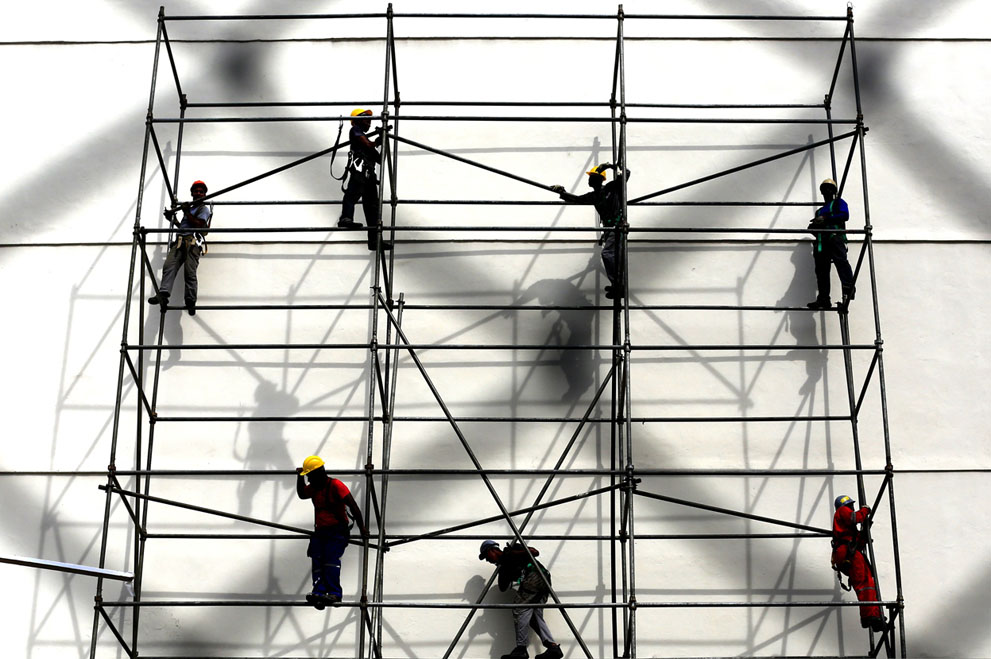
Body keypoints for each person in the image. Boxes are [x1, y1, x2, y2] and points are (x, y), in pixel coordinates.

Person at [296, 455, 367, 610]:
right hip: (321, 530)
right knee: (316, 558)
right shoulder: (314, 487)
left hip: (337, 531)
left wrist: (363, 529)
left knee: (330, 559)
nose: (308, 479)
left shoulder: (336, 485)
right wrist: (299, 476)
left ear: (319, 473)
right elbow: (302, 494)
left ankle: (334, 593)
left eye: (309, 475)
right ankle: (319, 592)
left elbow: (353, 507)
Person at [550, 163, 630, 299]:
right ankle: (617, 285)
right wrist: (562, 192)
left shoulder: (612, 187)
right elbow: (576, 199)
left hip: (618, 226)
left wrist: (611, 166)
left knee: (608, 254)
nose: (589, 179)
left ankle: (619, 286)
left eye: (592, 177)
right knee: (612, 256)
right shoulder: (593, 196)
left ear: (599, 179)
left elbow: (626, 174)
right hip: (610, 229)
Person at [479, 539, 564, 659]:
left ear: (492, 550)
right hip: (543, 582)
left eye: (487, 557)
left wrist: (510, 554)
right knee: (534, 616)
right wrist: (502, 566)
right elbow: (503, 587)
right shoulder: (504, 565)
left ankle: (521, 649)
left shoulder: (511, 550)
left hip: (535, 576)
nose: (488, 560)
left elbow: (534, 552)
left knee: (519, 607)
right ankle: (552, 647)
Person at [148, 180, 213, 316]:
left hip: (192, 244)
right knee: (168, 267)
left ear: (205, 194)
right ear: (192, 193)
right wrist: (174, 219)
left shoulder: (203, 209)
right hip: (179, 243)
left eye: (201, 191)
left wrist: (187, 212)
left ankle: (190, 302)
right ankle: (163, 295)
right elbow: (185, 227)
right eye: (196, 191)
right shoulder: (189, 209)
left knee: (189, 274)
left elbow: (199, 225)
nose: (198, 193)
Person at [831, 494, 886, 633]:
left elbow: (858, 542)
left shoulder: (847, 527)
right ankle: (870, 616)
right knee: (864, 584)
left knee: (867, 582)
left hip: (850, 553)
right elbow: (854, 518)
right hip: (848, 552)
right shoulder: (842, 511)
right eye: (851, 506)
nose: (852, 508)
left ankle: (873, 615)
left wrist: (865, 532)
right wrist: (865, 511)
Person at [339, 108, 392, 251]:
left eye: (370, 119)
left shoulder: (366, 140)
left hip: (369, 176)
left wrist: (383, 140)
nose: (369, 122)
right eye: (366, 119)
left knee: (372, 208)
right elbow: (369, 145)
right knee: (351, 195)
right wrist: (378, 140)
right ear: (357, 120)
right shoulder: (355, 131)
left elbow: (380, 159)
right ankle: (345, 219)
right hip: (359, 171)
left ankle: (375, 241)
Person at [807, 178, 855, 310]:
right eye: (824, 189)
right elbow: (817, 228)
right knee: (821, 270)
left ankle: (848, 286)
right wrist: (813, 227)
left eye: (829, 189)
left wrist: (826, 218)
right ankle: (823, 298)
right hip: (822, 242)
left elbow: (845, 215)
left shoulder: (839, 203)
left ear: (833, 191)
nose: (826, 191)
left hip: (835, 237)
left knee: (841, 261)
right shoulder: (819, 211)